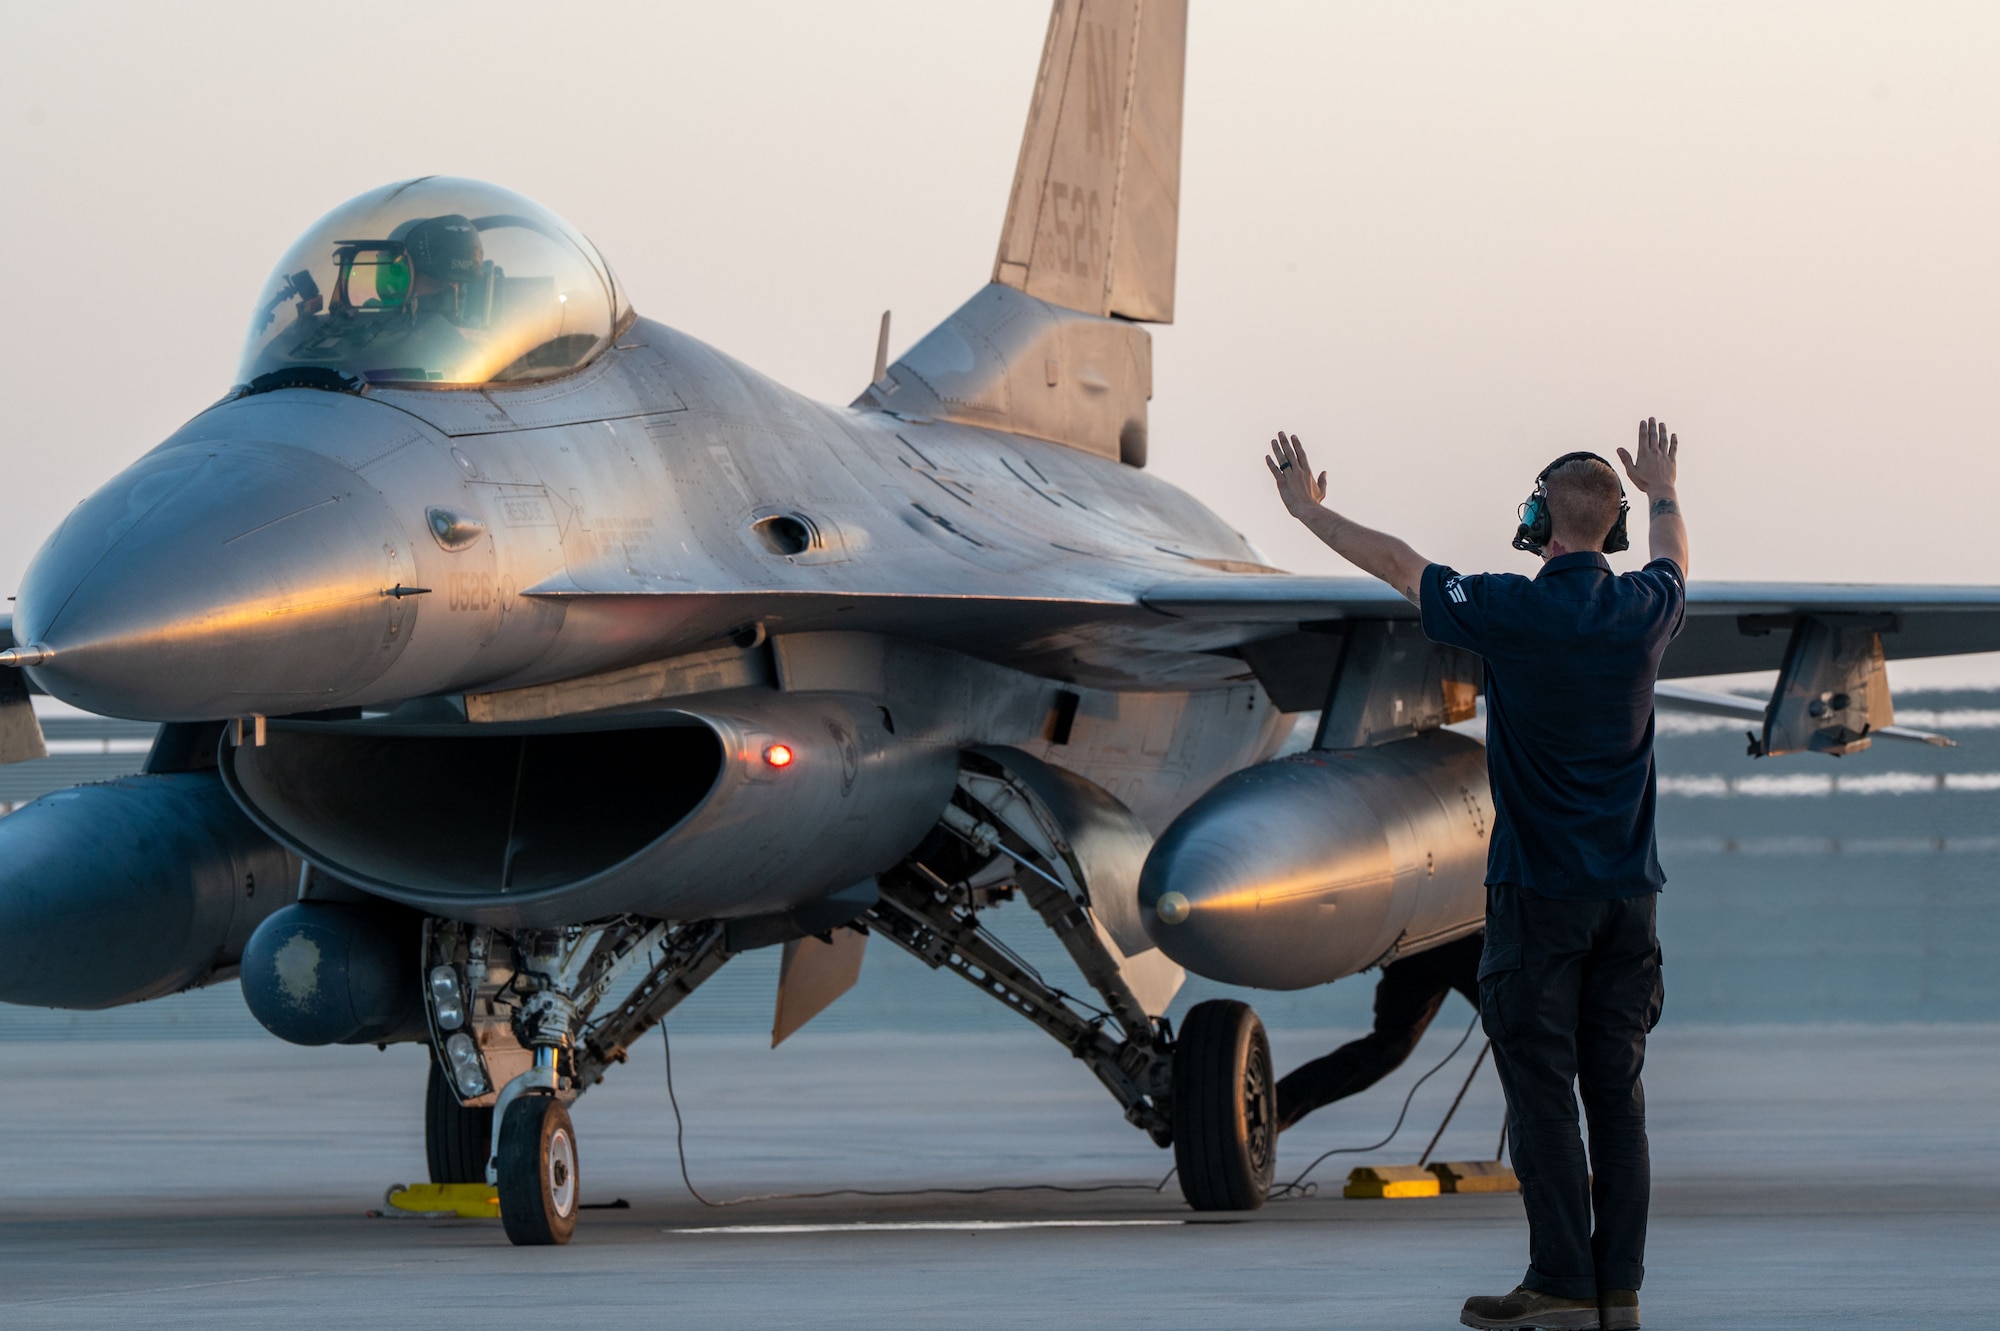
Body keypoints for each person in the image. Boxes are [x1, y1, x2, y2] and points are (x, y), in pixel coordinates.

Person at [1266, 420, 1687, 1331]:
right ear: (1611, 529)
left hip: (1539, 897)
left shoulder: (1508, 607)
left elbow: (1398, 563)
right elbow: (1673, 555)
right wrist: (1661, 487)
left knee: (1541, 1088)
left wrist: (1307, 513)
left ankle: (1562, 1284)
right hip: (1631, 901)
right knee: (1617, 1095)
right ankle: (1619, 1292)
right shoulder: (1647, 607)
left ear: (1540, 518)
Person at [1274, 930, 1482, 1133]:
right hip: (1452, 937)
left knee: (1388, 1048)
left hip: (1417, 937)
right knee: (1389, 1048)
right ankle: (1273, 1109)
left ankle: (1275, 1107)